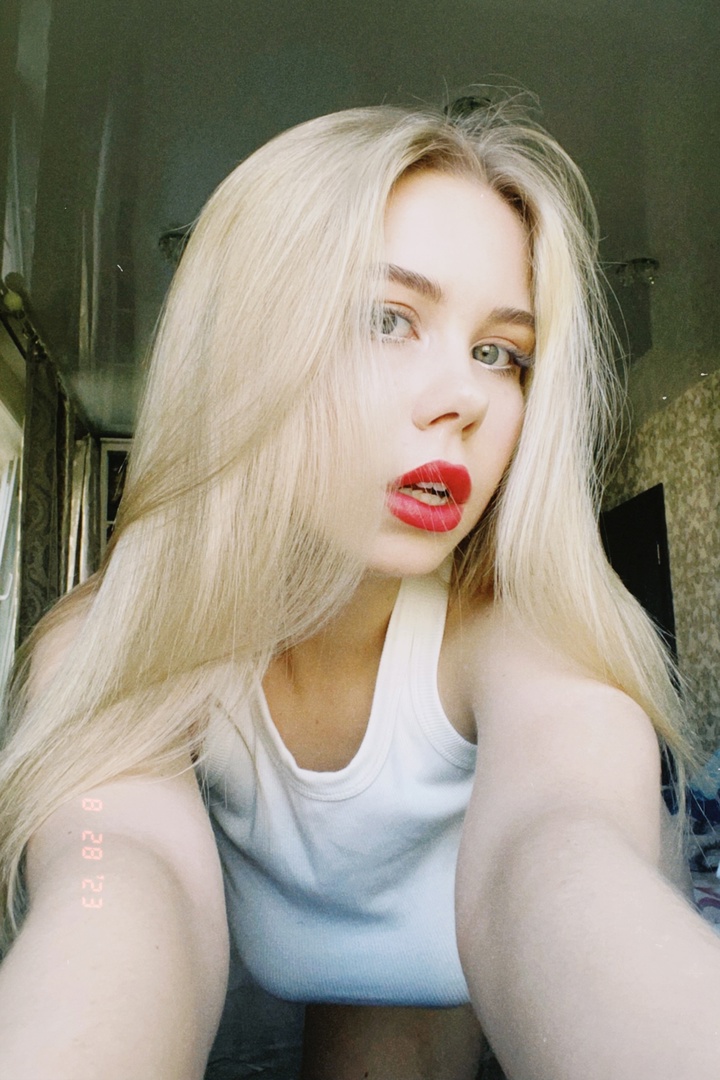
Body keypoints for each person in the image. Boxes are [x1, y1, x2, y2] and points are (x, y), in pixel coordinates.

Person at [0, 98, 718, 1080]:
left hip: (453, 987)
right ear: (243, 341)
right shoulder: (110, 639)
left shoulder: (525, 637)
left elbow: (564, 852)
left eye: (499, 352)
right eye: (389, 318)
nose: (463, 398)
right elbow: (114, 880)